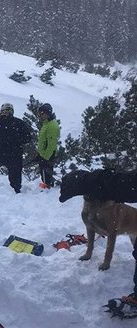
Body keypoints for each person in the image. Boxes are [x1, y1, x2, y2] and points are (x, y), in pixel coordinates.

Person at [59, 169, 137, 318]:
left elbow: (111, 232)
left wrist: (107, 260)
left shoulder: (111, 206)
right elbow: (89, 226)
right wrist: (89, 252)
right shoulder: (89, 203)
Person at [0, 103, 31, 193]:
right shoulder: (16, 122)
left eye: (7, 110)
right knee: (13, 178)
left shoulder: (1, 122)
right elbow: (27, 138)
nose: (5, 113)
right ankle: (13, 189)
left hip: (8, 154)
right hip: (11, 154)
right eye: (3, 111)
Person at [35, 103, 60, 188]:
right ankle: (46, 186)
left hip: (48, 155)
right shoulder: (46, 124)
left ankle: (47, 187)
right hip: (43, 154)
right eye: (39, 113)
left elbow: (52, 144)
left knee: (46, 173)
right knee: (43, 172)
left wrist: (45, 157)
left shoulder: (52, 125)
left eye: (41, 113)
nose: (39, 115)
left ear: (47, 113)